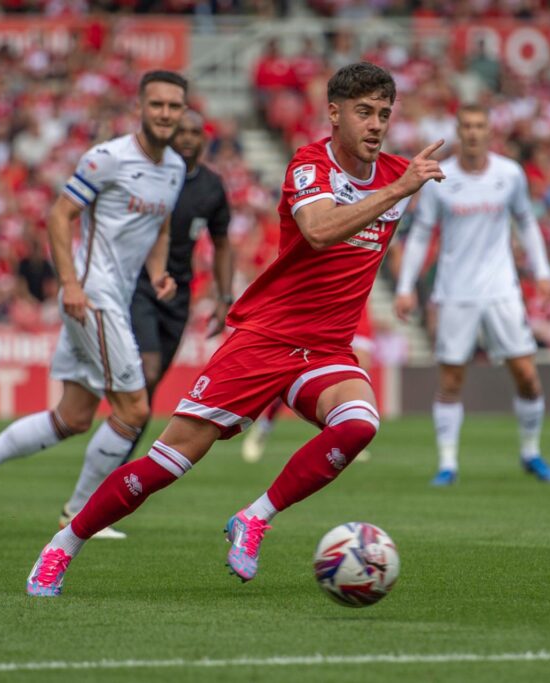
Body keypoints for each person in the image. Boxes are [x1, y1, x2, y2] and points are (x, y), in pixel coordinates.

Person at [24, 62, 445, 597]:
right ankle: (64, 543)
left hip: (325, 348)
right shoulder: (309, 166)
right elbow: (316, 231)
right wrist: (399, 189)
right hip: (265, 338)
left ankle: (255, 517)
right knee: (167, 462)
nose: (376, 125)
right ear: (334, 113)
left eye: (384, 114)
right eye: (364, 112)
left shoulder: (397, 175)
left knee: (359, 424)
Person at [0, 71, 188, 533]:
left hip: (111, 296)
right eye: (157, 105)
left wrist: (157, 273)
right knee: (134, 410)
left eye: (174, 106)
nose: (166, 113)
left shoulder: (174, 168)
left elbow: (162, 227)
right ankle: (80, 512)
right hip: (90, 295)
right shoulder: (107, 158)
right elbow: (59, 215)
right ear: (140, 107)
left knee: (73, 417)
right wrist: (70, 284)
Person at [56, 109, 234, 538]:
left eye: (197, 132)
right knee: (143, 382)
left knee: (145, 395)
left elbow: (223, 242)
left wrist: (225, 297)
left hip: (177, 295)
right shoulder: (158, 177)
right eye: (183, 132)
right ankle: (101, 491)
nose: (189, 139)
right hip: (136, 288)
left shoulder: (210, 186)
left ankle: (112, 479)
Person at [394, 105, 550, 486]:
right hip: (454, 292)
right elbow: (421, 234)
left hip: (502, 290)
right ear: (458, 131)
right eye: (466, 126)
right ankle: (448, 463)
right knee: (451, 380)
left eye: (479, 126)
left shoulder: (509, 174)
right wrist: (405, 288)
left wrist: (544, 272)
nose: (472, 132)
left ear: (489, 131)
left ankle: (531, 453)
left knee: (527, 376)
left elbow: (526, 222)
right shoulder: (442, 177)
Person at [240, 304, 373, 463]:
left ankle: (345, 433)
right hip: (324, 306)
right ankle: (264, 427)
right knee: (292, 373)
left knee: (359, 368)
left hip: (355, 303)